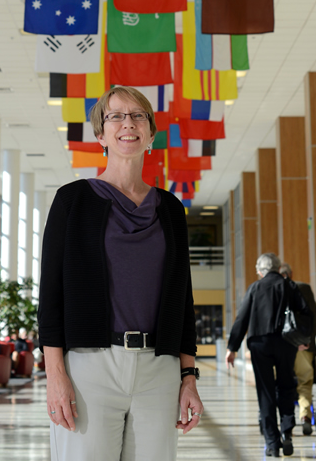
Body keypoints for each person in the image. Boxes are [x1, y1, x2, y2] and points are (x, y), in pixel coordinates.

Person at [39, 85, 203, 461]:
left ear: (150, 134)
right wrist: (55, 375)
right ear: (101, 135)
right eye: (116, 116)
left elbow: (184, 301)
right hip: (90, 367)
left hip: (158, 369)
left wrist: (188, 378)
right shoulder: (72, 201)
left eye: (138, 115)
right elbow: (51, 297)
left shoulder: (172, 210)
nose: (127, 123)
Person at [225, 252, 312, 458]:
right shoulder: (289, 286)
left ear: (261, 271)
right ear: (277, 268)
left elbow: (242, 318)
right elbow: (306, 314)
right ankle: (287, 431)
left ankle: (272, 443)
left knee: (265, 391)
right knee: (286, 385)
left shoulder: (255, 288)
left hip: (260, 344)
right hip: (286, 343)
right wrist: (303, 340)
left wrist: (233, 347)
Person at [279, 263, 316, 435]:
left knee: (284, 382)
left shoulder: (276, 290)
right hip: (304, 346)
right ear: (291, 273)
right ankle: (305, 415)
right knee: (305, 382)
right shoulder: (303, 288)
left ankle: (286, 420)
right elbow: (314, 315)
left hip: (284, 347)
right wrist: (308, 340)